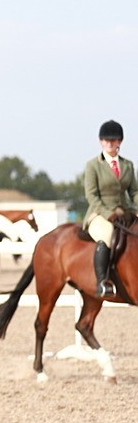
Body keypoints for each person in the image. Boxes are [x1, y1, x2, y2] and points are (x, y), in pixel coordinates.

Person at [84, 120, 138, 297]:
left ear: (119, 142)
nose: (109, 143)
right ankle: (102, 282)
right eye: (106, 140)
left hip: (125, 212)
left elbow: (134, 191)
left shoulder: (128, 165)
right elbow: (92, 196)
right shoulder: (93, 165)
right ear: (101, 141)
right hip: (100, 213)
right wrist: (108, 214)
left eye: (113, 140)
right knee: (107, 235)